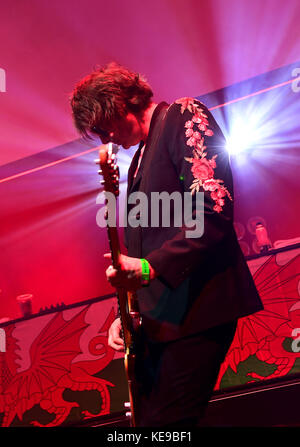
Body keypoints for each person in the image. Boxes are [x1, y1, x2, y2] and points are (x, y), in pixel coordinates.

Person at [70, 62, 263, 427]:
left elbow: (211, 209)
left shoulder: (183, 114)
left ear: (118, 104)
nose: (105, 138)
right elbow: (145, 249)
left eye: (102, 126)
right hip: (163, 321)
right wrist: (127, 312)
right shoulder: (137, 159)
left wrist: (145, 268)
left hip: (197, 309)